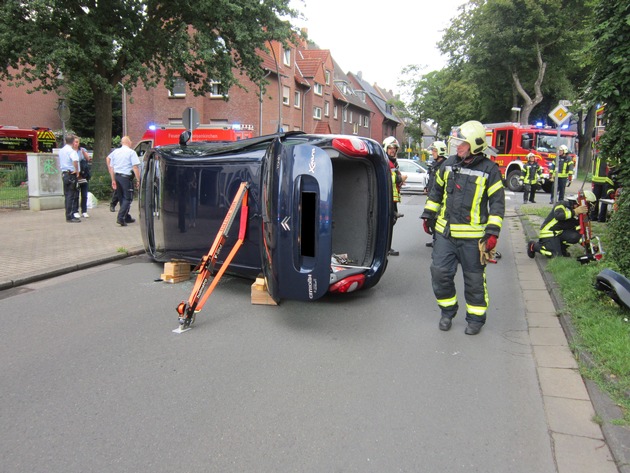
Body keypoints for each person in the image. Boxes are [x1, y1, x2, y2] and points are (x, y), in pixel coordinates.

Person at [421, 120, 505, 335]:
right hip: (446, 235)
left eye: (462, 143)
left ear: (475, 145)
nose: (457, 147)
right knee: (439, 273)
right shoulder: (448, 164)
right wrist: (428, 215)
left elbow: (497, 203)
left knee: (474, 280)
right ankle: (447, 312)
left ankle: (476, 319)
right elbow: (436, 193)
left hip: (474, 239)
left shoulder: (490, 169)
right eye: (457, 142)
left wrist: (492, 232)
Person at [527, 190, 596, 258]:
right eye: (589, 205)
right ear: (583, 203)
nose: (589, 209)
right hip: (549, 232)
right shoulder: (562, 204)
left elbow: (580, 232)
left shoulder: (582, 215)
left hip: (561, 233)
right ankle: (534, 246)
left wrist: (589, 245)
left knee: (575, 236)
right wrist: (575, 212)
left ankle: (561, 249)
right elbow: (559, 216)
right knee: (555, 256)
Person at [107, 136, 141, 226]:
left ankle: (126, 216)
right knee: (128, 198)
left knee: (121, 197)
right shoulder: (131, 152)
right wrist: (139, 180)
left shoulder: (115, 152)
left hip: (117, 176)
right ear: (129, 142)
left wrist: (113, 179)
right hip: (126, 177)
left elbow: (111, 167)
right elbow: (135, 167)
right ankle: (121, 217)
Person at [383, 136, 407, 256]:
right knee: (388, 223)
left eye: (395, 148)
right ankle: (385, 248)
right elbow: (388, 178)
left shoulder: (393, 162)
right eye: (390, 148)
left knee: (391, 222)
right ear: (386, 149)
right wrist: (399, 178)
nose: (393, 150)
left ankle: (387, 247)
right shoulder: (386, 161)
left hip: (392, 198)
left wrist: (400, 180)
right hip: (388, 198)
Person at [424, 141, 448, 248]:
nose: (432, 153)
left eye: (434, 151)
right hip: (432, 196)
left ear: (441, 152)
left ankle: (439, 241)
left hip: (440, 199)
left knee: (438, 220)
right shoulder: (435, 165)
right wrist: (427, 188)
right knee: (432, 219)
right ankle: (435, 239)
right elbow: (432, 180)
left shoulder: (444, 166)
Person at [59, 134, 81, 223]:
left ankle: (67, 214)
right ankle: (70, 215)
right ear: (72, 142)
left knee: (67, 195)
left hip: (64, 174)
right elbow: (75, 161)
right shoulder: (72, 151)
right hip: (71, 174)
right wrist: (77, 171)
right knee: (71, 196)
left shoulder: (62, 150)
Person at [590, 154, 615, 222]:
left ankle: (597, 217)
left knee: (600, 199)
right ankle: (597, 217)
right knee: (599, 199)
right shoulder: (599, 155)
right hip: (600, 181)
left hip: (602, 180)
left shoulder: (603, 155)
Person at [73, 144, 92, 218]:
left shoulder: (82, 150)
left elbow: (88, 159)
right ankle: (75, 211)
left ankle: (84, 211)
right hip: (76, 176)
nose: (76, 143)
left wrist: (84, 153)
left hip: (83, 175)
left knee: (84, 195)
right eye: (75, 142)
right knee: (76, 195)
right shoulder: (70, 151)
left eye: (77, 142)